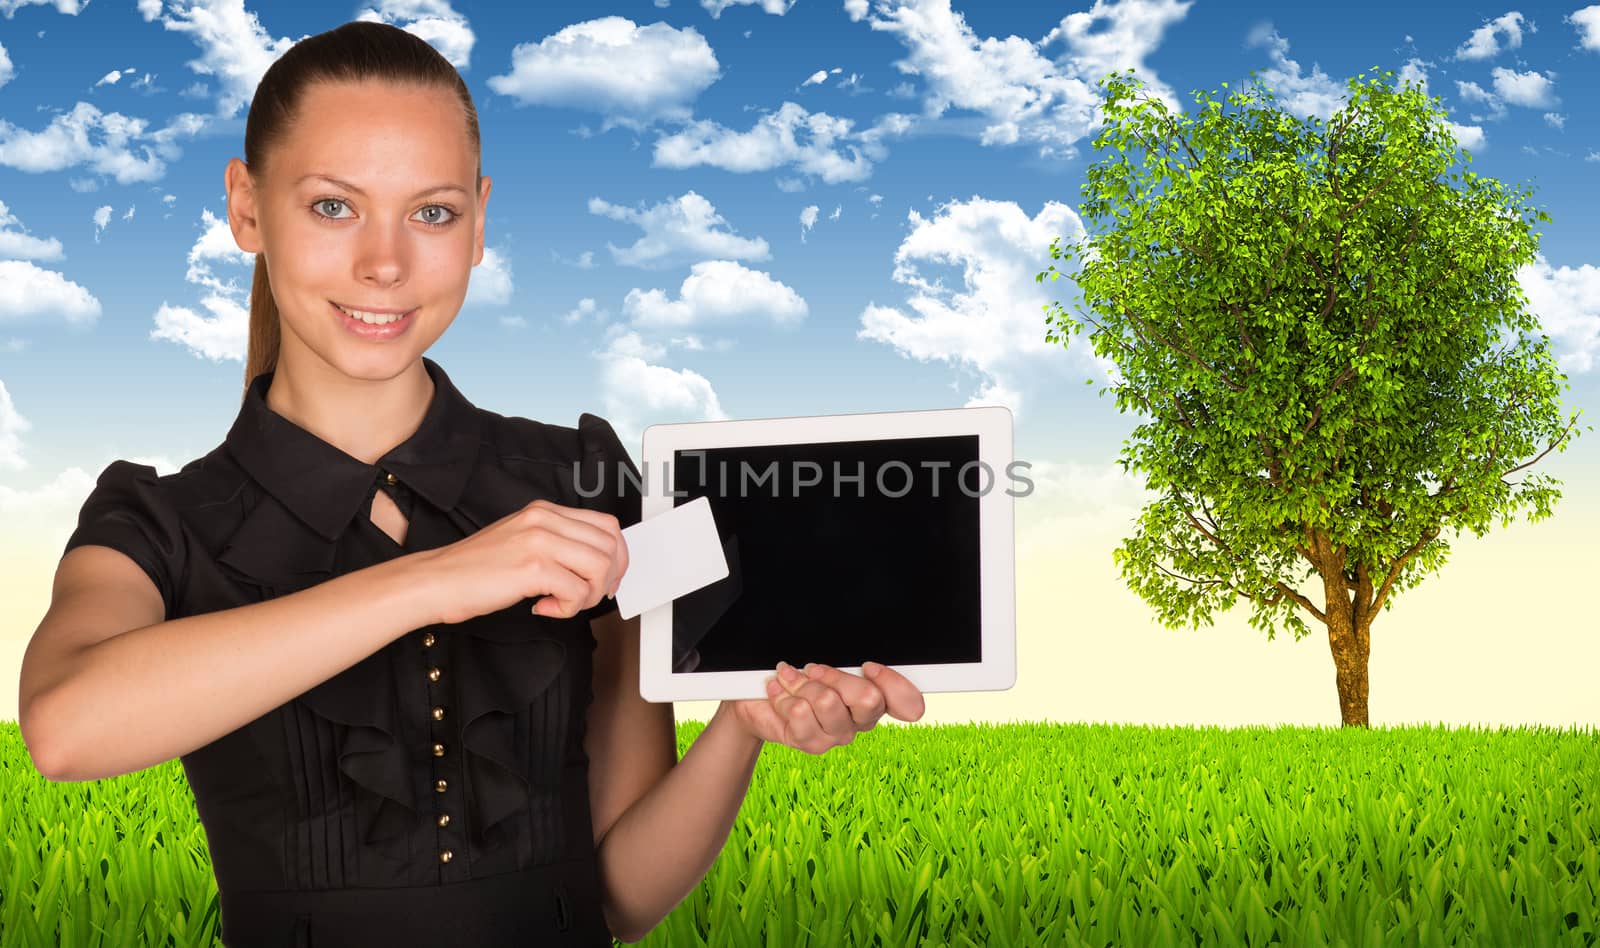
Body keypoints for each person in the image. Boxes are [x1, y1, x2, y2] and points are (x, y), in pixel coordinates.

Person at [14, 20, 925, 948]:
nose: (385, 264)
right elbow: (66, 729)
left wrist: (738, 730)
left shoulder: (586, 485)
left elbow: (620, 898)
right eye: (334, 206)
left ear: (480, 220)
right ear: (246, 207)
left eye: (433, 212)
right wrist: (438, 577)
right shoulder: (159, 521)